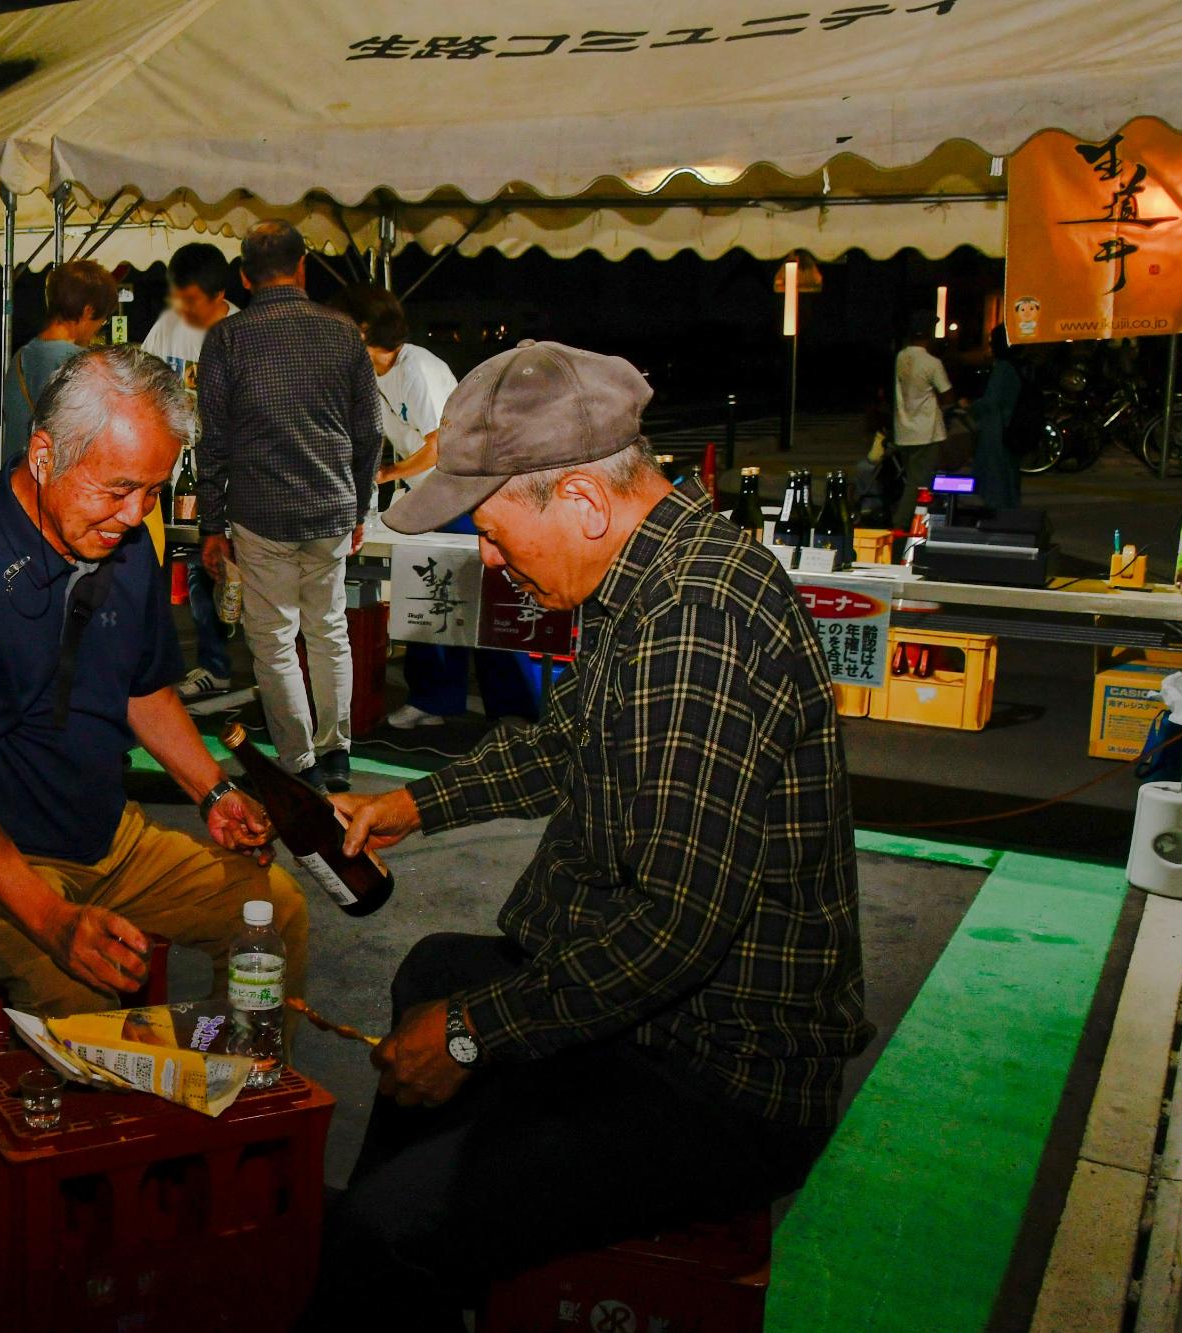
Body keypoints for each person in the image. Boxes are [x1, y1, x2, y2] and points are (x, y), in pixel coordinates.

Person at [308, 342, 873, 1331]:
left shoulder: (693, 621)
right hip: (658, 1018)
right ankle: (418, 1260)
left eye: (488, 529)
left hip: (719, 1072)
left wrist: (478, 1031)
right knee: (436, 969)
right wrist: (409, 807)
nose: (484, 558)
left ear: (576, 497)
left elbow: (674, 928)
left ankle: (392, 1250)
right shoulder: (643, 575)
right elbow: (565, 743)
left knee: (390, 1220)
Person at [0, 344, 309, 1017]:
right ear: (44, 456)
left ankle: (234, 1095)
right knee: (88, 987)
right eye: (117, 489)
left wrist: (213, 790)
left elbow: (143, 687)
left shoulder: (124, 544)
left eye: (153, 490)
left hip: (103, 839)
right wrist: (53, 921)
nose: (136, 515)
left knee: (274, 911)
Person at [196, 221, 379, 793]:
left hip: (260, 513)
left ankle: (299, 761)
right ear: (302, 267)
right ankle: (338, 753)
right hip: (330, 509)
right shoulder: (344, 333)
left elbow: (214, 441)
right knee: (328, 631)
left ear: (245, 277)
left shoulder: (227, 339)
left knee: (274, 640)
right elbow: (369, 432)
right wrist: (359, 508)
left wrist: (209, 523)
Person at [330, 285, 539, 731]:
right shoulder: (368, 373)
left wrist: (386, 474)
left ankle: (514, 709)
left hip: (470, 494)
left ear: (363, 329)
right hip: (429, 497)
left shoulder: (418, 369)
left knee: (485, 602)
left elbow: (439, 443)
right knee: (427, 597)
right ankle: (434, 699)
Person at [141, 242, 239, 700]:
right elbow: (145, 385)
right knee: (167, 568)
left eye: (193, 299)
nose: (184, 308)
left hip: (230, 476)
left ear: (221, 294)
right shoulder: (167, 326)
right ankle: (191, 668)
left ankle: (230, 666)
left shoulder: (241, 331)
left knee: (218, 572)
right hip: (172, 472)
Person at [0, 259, 119, 471]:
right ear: (88, 312)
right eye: (103, 319)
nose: (99, 329)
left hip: (15, 486)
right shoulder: (79, 363)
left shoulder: (20, 357)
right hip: (52, 491)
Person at [892, 312, 955, 528]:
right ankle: (900, 526)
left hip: (904, 430)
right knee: (919, 485)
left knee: (913, 480)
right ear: (928, 335)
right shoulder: (932, 362)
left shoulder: (901, 357)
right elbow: (947, 394)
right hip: (926, 432)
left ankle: (917, 524)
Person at [970, 327, 1024, 511]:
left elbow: (991, 402)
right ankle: (1008, 510)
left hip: (997, 429)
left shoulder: (1003, 368)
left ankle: (1000, 513)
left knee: (996, 473)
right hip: (1012, 428)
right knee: (1009, 474)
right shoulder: (1020, 365)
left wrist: (971, 407)